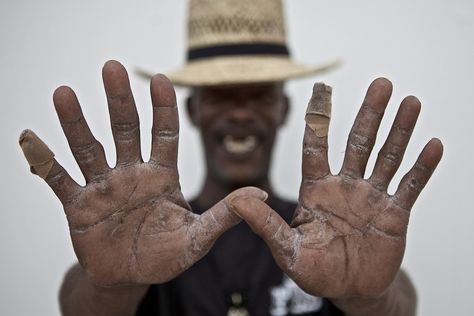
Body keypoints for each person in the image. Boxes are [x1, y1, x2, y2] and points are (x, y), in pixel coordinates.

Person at [19, 0, 443, 315]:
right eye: (221, 95)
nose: (240, 112)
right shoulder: (146, 229)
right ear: (193, 111)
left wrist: (367, 299)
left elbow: (399, 301)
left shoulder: (331, 233)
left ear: (283, 110)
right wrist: (112, 288)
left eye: (259, 94)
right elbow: (77, 302)